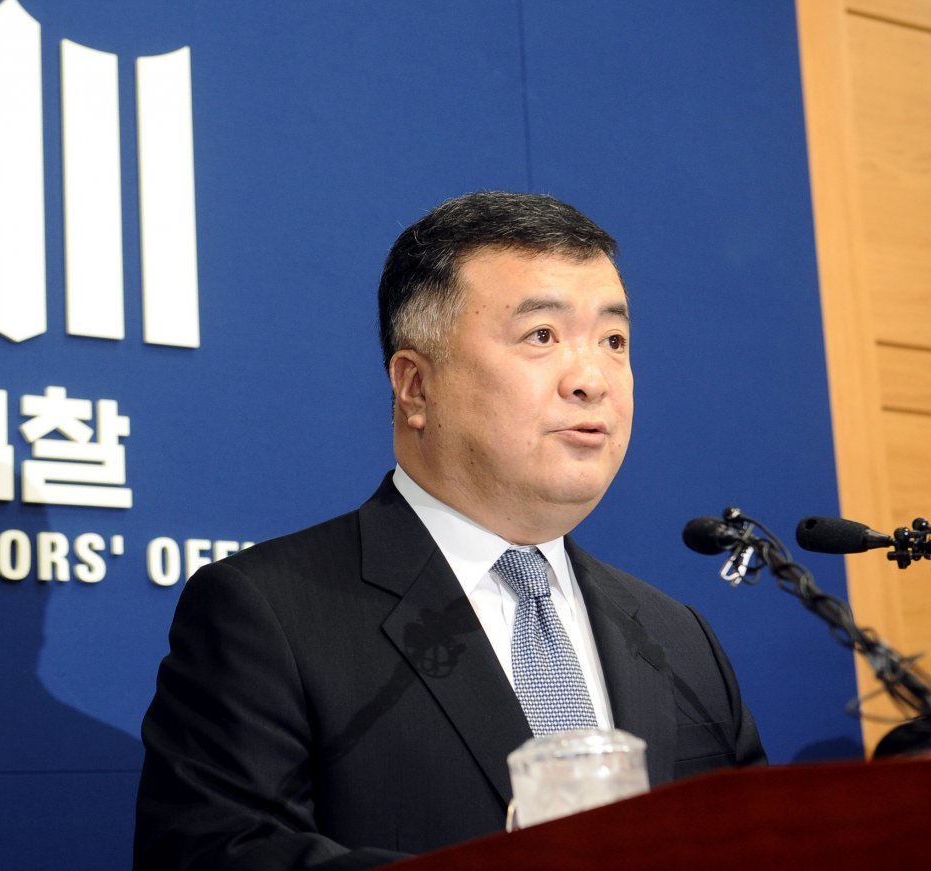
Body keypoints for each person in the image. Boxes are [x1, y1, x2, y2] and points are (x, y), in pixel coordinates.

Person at [133, 192, 766, 869]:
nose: (592, 379)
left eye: (614, 341)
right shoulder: (268, 615)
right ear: (415, 386)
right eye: (542, 336)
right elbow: (218, 855)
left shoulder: (679, 639)